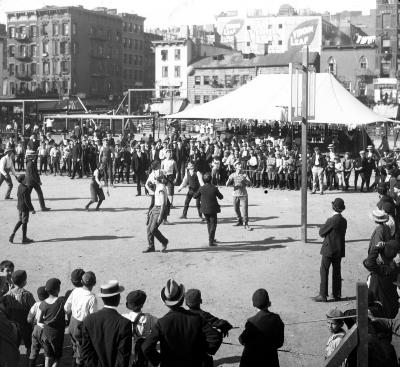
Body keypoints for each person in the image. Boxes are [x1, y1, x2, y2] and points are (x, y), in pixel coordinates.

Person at [142, 279, 222, 367]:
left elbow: (146, 347)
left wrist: (159, 360)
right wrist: (203, 352)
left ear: (165, 303)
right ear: (182, 298)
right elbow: (216, 337)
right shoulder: (197, 319)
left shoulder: (161, 323)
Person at [81, 280, 132, 367]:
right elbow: (123, 357)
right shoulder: (124, 323)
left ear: (103, 298)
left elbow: (86, 352)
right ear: (118, 298)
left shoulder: (88, 320)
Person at [185, 288, 232, 366]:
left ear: (186, 303)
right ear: (201, 301)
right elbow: (219, 323)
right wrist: (227, 326)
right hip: (201, 357)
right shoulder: (203, 315)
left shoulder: (182, 315)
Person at [239, 288, 284, 367]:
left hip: (250, 361)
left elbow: (242, 339)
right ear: (268, 303)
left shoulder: (251, 322)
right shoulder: (276, 319)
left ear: (254, 305)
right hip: (270, 360)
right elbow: (279, 343)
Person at [314, 198, 347, 302]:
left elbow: (321, 233)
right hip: (339, 249)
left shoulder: (331, 220)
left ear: (333, 207)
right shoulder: (344, 221)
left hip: (328, 249)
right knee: (337, 272)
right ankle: (336, 294)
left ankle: (323, 295)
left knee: (324, 271)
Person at [64, 271, 97, 367]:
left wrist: (74, 312)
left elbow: (66, 307)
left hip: (72, 323)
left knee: (74, 344)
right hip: (82, 325)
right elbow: (92, 317)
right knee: (81, 349)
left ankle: (74, 360)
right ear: (94, 283)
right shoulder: (92, 297)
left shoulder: (75, 291)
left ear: (81, 282)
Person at [122, 290, 158, 367]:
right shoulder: (150, 318)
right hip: (143, 353)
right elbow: (160, 324)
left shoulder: (123, 318)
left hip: (129, 354)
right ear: (142, 305)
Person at [36, 278, 66, 367]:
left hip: (46, 333)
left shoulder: (43, 304)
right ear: (58, 289)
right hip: (57, 334)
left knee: (48, 356)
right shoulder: (61, 301)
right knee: (57, 358)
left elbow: (39, 321)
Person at [6, 270, 36, 357]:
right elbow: (34, 308)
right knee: (28, 342)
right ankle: (28, 357)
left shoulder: (9, 294)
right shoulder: (27, 295)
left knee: (15, 342)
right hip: (25, 324)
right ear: (24, 282)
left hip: (13, 324)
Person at [194, 172, 223, 246]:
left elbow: (195, 196)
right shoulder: (214, 188)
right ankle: (211, 240)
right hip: (213, 209)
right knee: (213, 224)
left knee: (208, 223)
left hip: (204, 209)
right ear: (211, 179)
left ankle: (211, 238)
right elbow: (221, 197)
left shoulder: (201, 188)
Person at [144, 172, 169, 253]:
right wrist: (152, 209)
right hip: (155, 208)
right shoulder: (158, 186)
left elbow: (163, 204)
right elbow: (157, 200)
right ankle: (151, 246)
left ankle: (164, 241)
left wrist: (160, 216)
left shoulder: (161, 188)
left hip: (160, 210)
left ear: (156, 180)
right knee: (149, 228)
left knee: (153, 229)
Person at [9, 174, 36, 244]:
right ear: (23, 180)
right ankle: (24, 238)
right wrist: (32, 209)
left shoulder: (20, 186)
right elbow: (27, 201)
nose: (27, 178)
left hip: (19, 207)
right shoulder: (26, 189)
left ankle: (13, 234)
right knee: (24, 222)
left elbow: (18, 195)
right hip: (24, 208)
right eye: (25, 178)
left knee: (20, 221)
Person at [226, 161, 252, 230]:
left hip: (243, 194)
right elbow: (226, 184)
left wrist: (246, 180)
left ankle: (246, 224)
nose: (240, 165)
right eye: (238, 164)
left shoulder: (244, 175)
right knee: (236, 209)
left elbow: (250, 183)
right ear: (235, 166)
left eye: (240, 164)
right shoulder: (232, 175)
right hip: (235, 194)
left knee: (244, 210)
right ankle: (239, 220)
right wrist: (229, 180)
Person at [27, 286, 49, 367]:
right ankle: (44, 363)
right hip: (46, 330)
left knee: (34, 350)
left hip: (36, 329)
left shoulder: (36, 304)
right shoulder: (50, 305)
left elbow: (29, 318)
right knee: (47, 350)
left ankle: (31, 364)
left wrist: (33, 323)